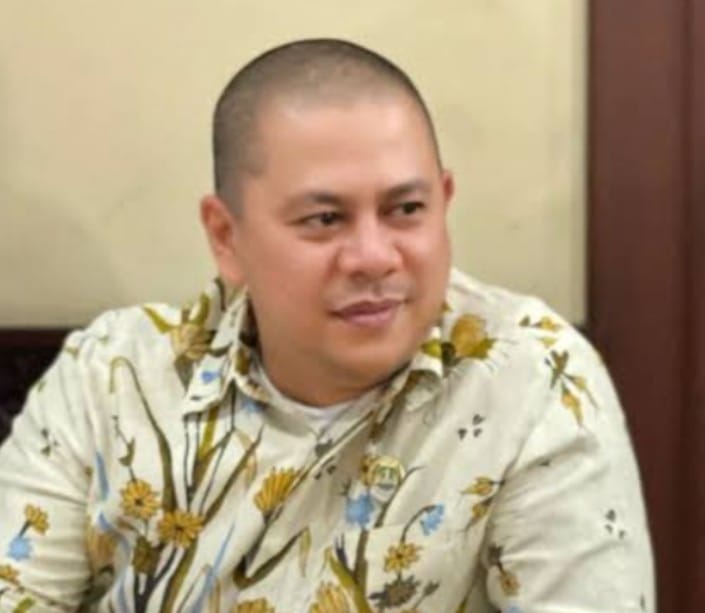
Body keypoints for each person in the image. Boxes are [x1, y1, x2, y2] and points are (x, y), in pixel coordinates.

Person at [0, 39, 653, 611]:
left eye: (406, 209)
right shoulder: (112, 380)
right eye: (324, 219)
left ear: (444, 202)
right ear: (226, 236)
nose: (373, 256)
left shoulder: (533, 379)